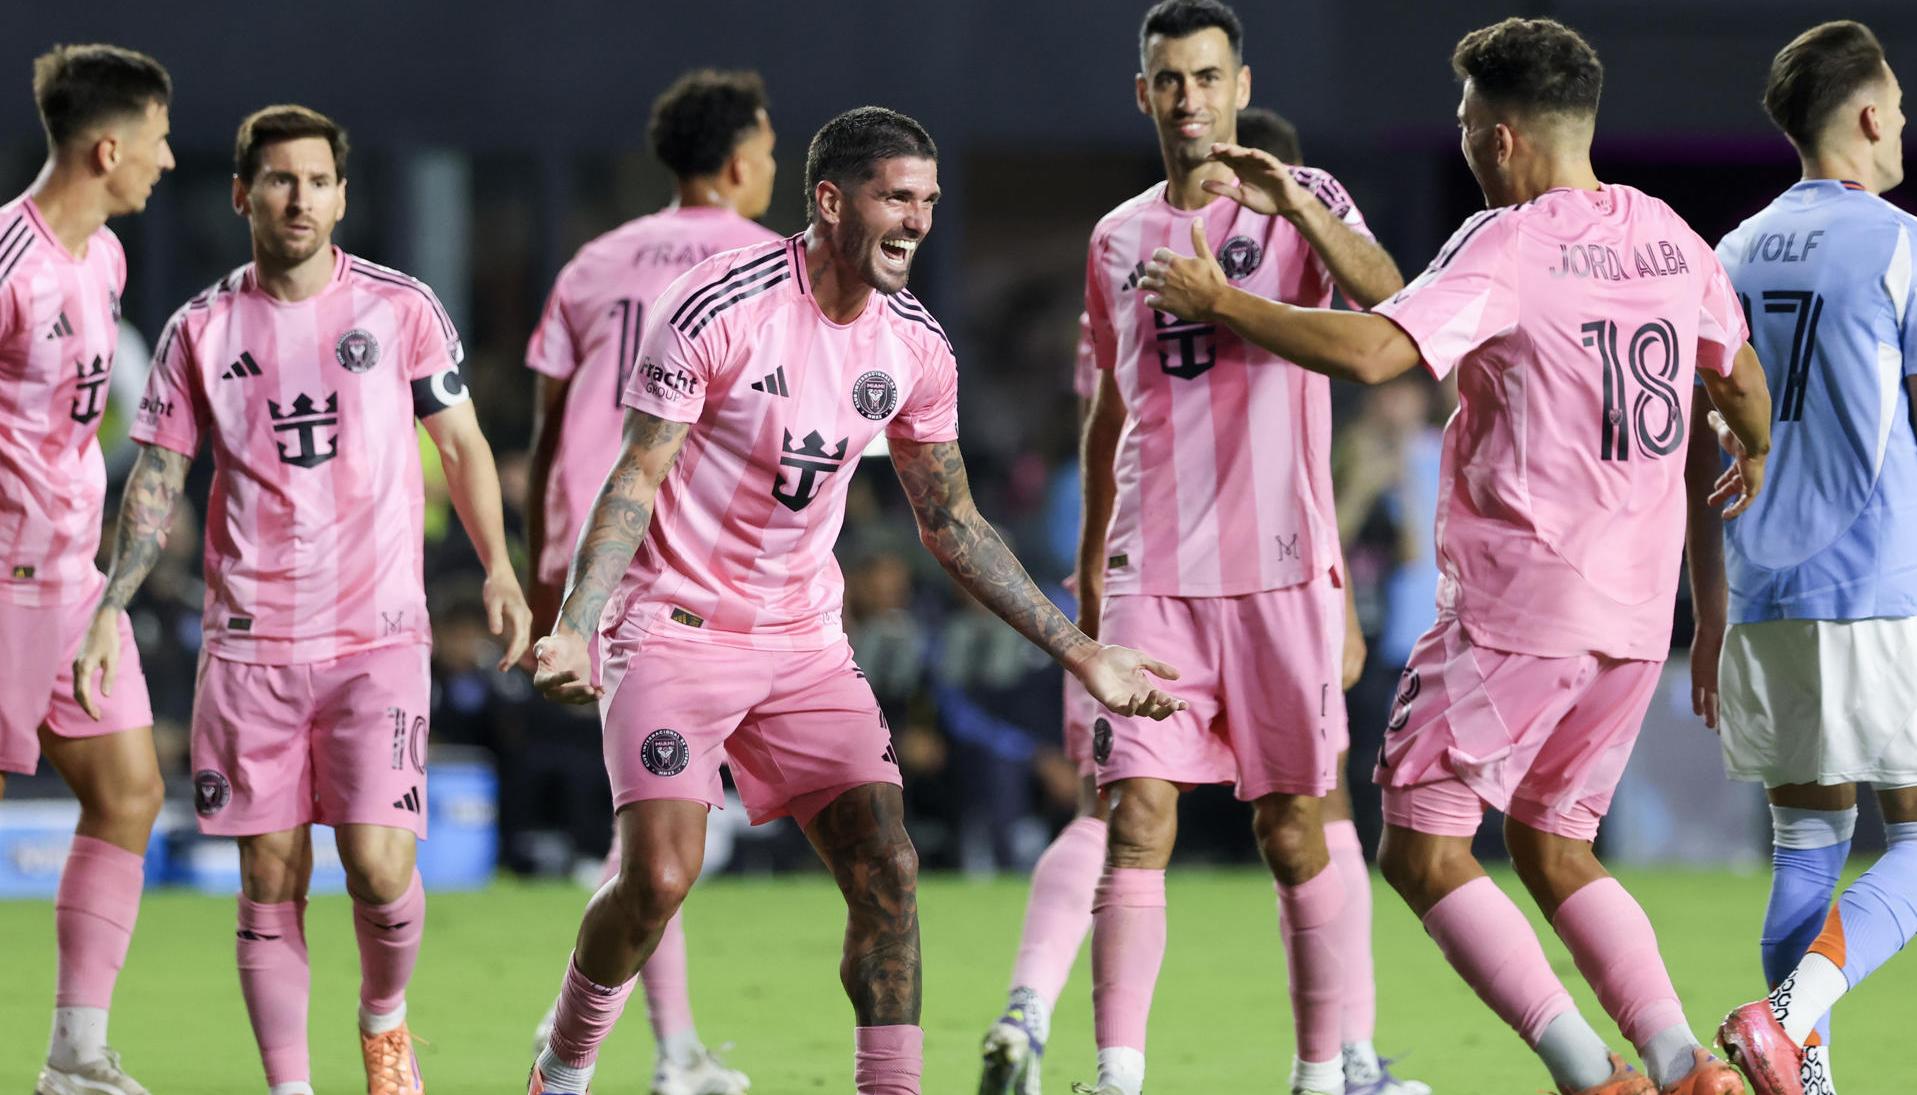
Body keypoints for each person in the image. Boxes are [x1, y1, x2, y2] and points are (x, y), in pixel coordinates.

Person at [1138, 15, 1774, 1095]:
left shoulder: (1507, 241)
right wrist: (1749, 449)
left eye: (1470, 123)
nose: (1467, 142)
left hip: (1519, 603)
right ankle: (1681, 1065)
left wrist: (1224, 302)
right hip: (1633, 617)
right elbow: (1742, 386)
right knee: (1553, 844)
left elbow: (1377, 351)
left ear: (1504, 136)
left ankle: (1591, 1075)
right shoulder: (1673, 238)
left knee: (1422, 847)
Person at [524, 105, 1185, 1095]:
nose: (917, 220)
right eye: (895, 198)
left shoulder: (914, 345)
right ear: (831, 201)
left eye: (929, 200)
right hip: (675, 628)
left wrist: (1083, 650)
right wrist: (577, 625)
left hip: (804, 643)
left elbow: (952, 522)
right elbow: (636, 476)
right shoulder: (719, 306)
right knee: (657, 878)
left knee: (889, 869)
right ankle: (562, 1071)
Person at [76, 104, 532, 1095]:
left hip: (379, 635)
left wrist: (499, 566)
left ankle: (384, 1020)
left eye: (318, 181)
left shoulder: (400, 308)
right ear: (243, 195)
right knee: (270, 878)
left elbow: (461, 445)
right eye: (280, 180)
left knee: (378, 866)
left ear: (342, 196)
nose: (300, 199)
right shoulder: (201, 329)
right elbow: (157, 478)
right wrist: (113, 603)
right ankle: (291, 1088)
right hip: (251, 647)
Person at [980, 93, 1419, 1095]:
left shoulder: (1234, 258)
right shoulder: (1132, 250)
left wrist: (1090, 566)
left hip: (1199, 569)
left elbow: (1380, 320)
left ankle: (1032, 1012)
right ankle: (1333, 1058)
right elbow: (1115, 415)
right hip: (1158, 575)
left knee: (1141, 814)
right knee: (1195, 812)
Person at [523, 67, 779, 1095]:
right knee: (670, 822)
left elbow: (547, 432)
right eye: (769, 151)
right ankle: (636, 1045)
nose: (772, 166)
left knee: (664, 811)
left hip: (591, 554)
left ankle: (670, 1049)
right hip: (694, 558)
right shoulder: (772, 267)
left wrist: (545, 574)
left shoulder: (594, 261)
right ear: (739, 163)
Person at [1707, 21, 1917, 1095]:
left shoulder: (1730, 252)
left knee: (1806, 843)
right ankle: (1787, 1018)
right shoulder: (1897, 242)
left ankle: (1805, 1081)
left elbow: (1702, 442)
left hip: (1762, 589)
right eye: (1900, 110)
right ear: (1870, 114)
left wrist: (1708, 613)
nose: (1903, 128)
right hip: (1880, 582)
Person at [0, 42, 171, 1095]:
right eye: (157, 139)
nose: (165, 159)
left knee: (131, 791)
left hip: (72, 589)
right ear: (108, 148)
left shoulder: (103, 259)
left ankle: (75, 1058)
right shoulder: (7, 262)